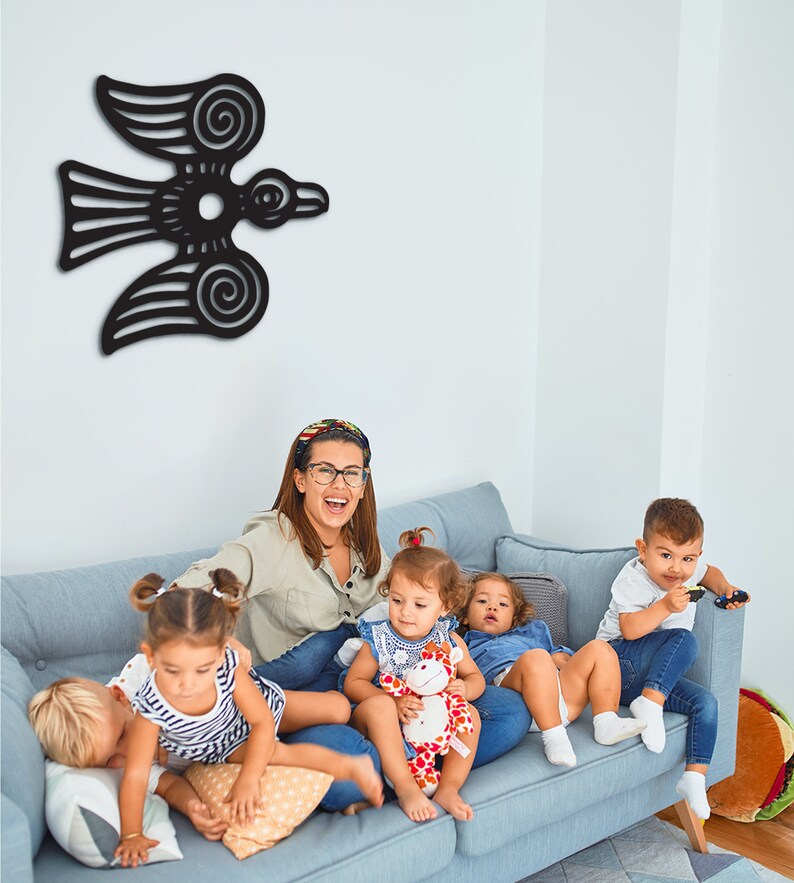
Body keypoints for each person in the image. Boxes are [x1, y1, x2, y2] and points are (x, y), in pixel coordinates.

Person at [172, 418, 531, 807]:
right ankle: (403, 766)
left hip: (375, 687)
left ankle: (408, 762)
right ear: (300, 479)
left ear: (363, 484)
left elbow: (415, 606)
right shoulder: (271, 540)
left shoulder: (365, 543)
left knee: (510, 712)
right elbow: (179, 597)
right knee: (352, 774)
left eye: (351, 473)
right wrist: (220, 641)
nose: (339, 484)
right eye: (324, 471)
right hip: (301, 698)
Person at [116, 569, 383, 868]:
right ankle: (350, 766)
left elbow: (262, 722)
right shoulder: (149, 709)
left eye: (202, 670)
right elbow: (136, 775)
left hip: (258, 712)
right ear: (151, 657)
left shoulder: (227, 669)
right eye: (173, 670)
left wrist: (249, 778)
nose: (187, 685)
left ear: (220, 655)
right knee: (280, 754)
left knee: (339, 709)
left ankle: (342, 685)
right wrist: (131, 834)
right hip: (226, 747)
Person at [595, 497, 750, 819]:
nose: (676, 568)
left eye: (687, 558)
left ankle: (694, 777)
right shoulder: (633, 578)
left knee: (706, 703)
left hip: (651, 678)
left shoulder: (688, 573)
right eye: (665, 555)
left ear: (697, 556)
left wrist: (725, 588)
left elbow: (711, 573)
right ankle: (650, 704)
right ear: (643, 550)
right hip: (615, 666)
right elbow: (630, 629)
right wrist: (664, 606)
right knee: (684, 639)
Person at [344, 527, 483, 823]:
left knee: (470, 714)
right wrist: (392, 702)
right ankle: (405, 787)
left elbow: (475, 677)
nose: (406, 612)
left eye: (419, 605)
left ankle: (448, 788)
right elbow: (352, 683)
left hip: (427, 725)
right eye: (397, 601)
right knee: (380, 706)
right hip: (380, 721)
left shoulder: (448, 640)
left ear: (445, 607)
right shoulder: (379, 639)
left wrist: (465, 688)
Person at [461, 573, 645, 768]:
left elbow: (558, 655)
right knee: (536, 658)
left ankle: (606, 722)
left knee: (600, 648)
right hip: (516, 701)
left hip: (560, 698)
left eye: (503, 604)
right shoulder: (462, 644)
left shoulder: (532, 633)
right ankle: (554, 737)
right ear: (464, 615)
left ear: (515, 618)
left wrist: (561, 657)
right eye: (482, 601)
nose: (492, 607)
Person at [28, 675, 229, 844]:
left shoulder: (147, 681)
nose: (127, 752)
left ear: (120, 697)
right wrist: (192, 807)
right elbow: (170, 786)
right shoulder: (126, 769)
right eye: (109, 760)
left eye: (122, 735)